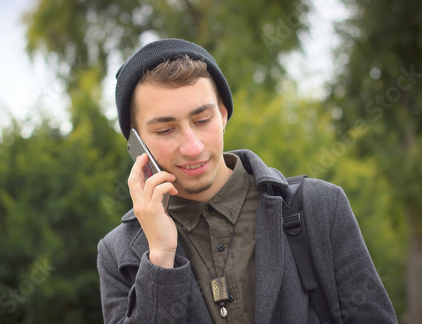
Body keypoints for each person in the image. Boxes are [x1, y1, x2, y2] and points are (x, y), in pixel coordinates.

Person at [97, 38, 397, 323]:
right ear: (137, 143)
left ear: (223, 114)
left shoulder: (320, 206)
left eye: (202, 121)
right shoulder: (117, 253)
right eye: (165, 130)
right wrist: (160, 258)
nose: (193, 147)